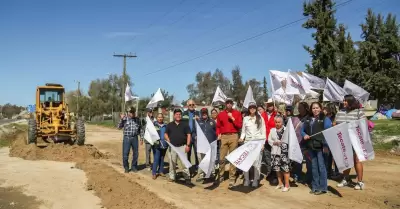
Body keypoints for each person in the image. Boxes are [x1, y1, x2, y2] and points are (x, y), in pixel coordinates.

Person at [335, 95, 366, 190]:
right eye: (343, 101)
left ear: (351, 102)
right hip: (343, 140)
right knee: (346, 160)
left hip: (356, 140)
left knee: (357, 160)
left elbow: (364, 124)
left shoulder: (358, 112)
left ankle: (360, 182)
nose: (344, 102)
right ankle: (346, 179)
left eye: (346, 101)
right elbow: (335, 123)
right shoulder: (340, 112)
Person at [301, 102, 332, 195]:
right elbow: (302, 130)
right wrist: (304, 135)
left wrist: (326, 146)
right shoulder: (308, 119)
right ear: (311, 109)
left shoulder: (325, 119)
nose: (315, 110)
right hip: (311, 146)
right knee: (314, 167)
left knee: (321, 166)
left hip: (321, 147)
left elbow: (328, 133)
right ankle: (315, 186)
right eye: (313, 108)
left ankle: (323, 187)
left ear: (321, 108)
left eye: (317, 108)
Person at [216, 98, 243, 188]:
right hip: (224, 136)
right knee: (221, 158)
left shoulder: (237, 113)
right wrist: (218, 134)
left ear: (232, 104)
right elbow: (218, 126)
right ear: (225, 104)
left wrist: (232, 118)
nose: (229, 104)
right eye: (227, 103)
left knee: (233, 158)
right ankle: (221, 175)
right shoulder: (220, 114)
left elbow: (239, 125)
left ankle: (232, 178)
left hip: (233, 136)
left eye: (230, 103)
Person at [239, 102, 266, 187]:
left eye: (254, 107)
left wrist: (263, 144)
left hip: (257, 142)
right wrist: (241, 138)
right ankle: (246, 179)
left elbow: (263, 132)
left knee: (256, 163)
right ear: (249, 109)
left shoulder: (260, 118)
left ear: (256, 108)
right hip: (247, 143)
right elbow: (243, 131)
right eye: (250, 107)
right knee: (246, 162)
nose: (252, 109)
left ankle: (255, 180)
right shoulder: (245, 119)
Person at [164, 109, 192, 184]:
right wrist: (168, 139)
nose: (178, 116)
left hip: (182, 147)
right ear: (174, 115)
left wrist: (188, 145)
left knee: (184, 163)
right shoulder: (170, 125)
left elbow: (189, 135)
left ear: (181, 115)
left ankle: (187, 177)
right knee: (172, 162)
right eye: (177, 114)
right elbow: (166, 134)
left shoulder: (185, 124)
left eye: (179, 114)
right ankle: (172, 177)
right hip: (173, 147)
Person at [268, 115, 290, 192]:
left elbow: (289, 140)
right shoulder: (272, 130)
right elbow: (269, 140)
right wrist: (274, 142)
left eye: (279, 122)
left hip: (284, 152)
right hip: (275, 152)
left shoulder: (286, 130)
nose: (277, 124)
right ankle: (280, 183)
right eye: (276, 122)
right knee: (277, 169)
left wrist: (283, 143)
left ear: (282, 122)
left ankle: (287, 185)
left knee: (285, 169)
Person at [196, 108, 217, 182]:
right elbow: (195, 132)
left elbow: (216, 131)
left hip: (210, 144)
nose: (204, 114)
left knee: (211, 160)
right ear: (201, 114)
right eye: (203, 113)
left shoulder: (212, 122)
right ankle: (201, 175)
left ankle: (212, 174)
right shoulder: (198, 122)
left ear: (207, 113)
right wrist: (195, 137)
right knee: (202, 160)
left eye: (205, 112)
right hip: (201, 145)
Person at [291, 102, 311, 184]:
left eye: (301, 107)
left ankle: (309, 177)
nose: (299, 109)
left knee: (308, 161)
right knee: (297, 160)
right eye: (298, 108)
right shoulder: (295, 118)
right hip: (296, 142)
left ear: (306, 108)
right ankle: (297, 175)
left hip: (306, 142)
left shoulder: (309, 118)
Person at [118, 108, 141, 173]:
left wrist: (141, 138)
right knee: (125, 154)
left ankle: (134, 167)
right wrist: (121, 119)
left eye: (133, 112)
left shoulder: (137, 120)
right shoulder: (125, 119)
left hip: (135, 138)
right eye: (130, 112)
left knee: (136, 154)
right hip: (127, 138)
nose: (132, 113)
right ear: (128, 113)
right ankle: (126, 167)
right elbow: (119, 127)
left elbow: (140, 129)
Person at [261, 99, 277, 180]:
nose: (270, 106)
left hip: (274, 140)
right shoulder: (263, 114)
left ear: (273, 105)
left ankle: (275, 174)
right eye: (268, 105)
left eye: (271, 105)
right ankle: (269, 172)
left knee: (275, 156)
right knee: (267, 157)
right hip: (265, 139)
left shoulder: (277, 114)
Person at [323, 103, 339, 179]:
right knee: (327, 157)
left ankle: (336, 172)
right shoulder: (325, 117)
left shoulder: (336, 118)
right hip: (326, 140)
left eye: (326, 108)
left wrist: (334, 125)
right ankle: (328, 172)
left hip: (335, 139)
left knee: (335, 157)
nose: (324, 109)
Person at [182, 99, 200, 169]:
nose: (191, 106)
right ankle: (188, 166)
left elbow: (202, 122)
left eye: (193, 104)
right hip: (187, 136)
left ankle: (197, 165)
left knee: (196, 151)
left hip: (195, 135)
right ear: (187, 106)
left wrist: (199, 119)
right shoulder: (184, 114)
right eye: (190, 105)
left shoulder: (198, 113)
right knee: (188, 151)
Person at [151, 113, 168, 180]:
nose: (160, 118)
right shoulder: (153, 125)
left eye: (161, 117)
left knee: (162, 158)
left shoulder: (166, 125)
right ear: (156, 118)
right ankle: (154, 173)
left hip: (164, 144)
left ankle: (161, 171)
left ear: (163, 118)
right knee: (156, 159)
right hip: (157, 144)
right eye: (158, 117)